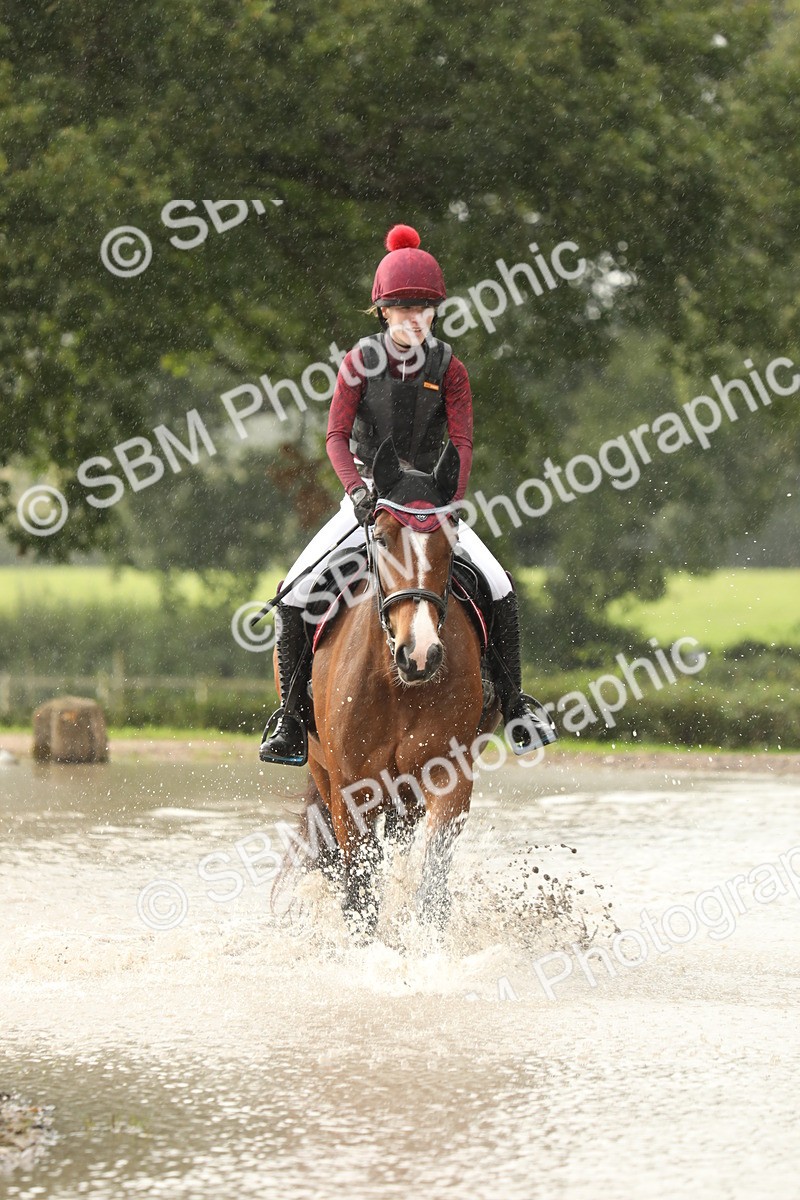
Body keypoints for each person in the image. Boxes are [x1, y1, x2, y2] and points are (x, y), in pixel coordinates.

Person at [259, 223, 557, 765]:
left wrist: (453, 500)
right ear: (383, 312)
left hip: (434, 502)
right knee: (294, 592)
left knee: (500, 586)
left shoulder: (451, 370)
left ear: (436, 312)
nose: (414, 318)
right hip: (372, 498)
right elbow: (335, 436)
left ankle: (515, 706)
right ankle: (290, 721)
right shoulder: (357, 363)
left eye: (424, 308)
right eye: (402, 308)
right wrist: (357, 493)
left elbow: (463, 442)